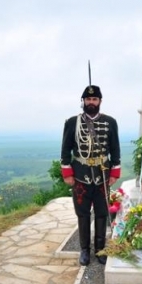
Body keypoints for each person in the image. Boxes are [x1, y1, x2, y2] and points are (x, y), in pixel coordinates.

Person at [60, 85, 121, 265]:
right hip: (80, 174)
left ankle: (100, 249)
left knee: (102, 213)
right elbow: (65, 149)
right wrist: (67, 172)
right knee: (83, 213)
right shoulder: (72, 122)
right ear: (83, 102)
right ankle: (85, 250)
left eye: (94, 99)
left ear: (100, 101)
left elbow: (115, 148)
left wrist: (115, 171)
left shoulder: (110, 122)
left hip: (102, 174)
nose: (91, 102)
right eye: (88, 99)